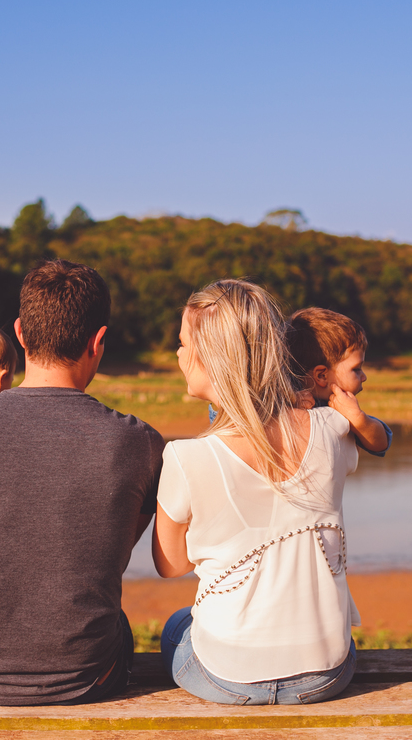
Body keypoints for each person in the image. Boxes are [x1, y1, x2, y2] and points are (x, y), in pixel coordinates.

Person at [0, 259, 165, 706]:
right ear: (98, 340)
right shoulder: (141, 443)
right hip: (91, 678)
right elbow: (108, 555)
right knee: (117, 623)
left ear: (21, 333)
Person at [153, 279, 360, 705]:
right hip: (326, 674)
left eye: (183, 343)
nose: (178, 354)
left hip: (230, 679)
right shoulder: (335, 430)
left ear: (210, 356)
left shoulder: (185, 457)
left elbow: (171, 565)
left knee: (176, 626)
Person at [286, 307, 391, 456]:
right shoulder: (282, 402)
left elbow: (381, 443)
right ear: (322, 376)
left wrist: (358, 420)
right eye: (356, 369)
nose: (364, 377)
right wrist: (289, 406)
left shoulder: (345, 409)